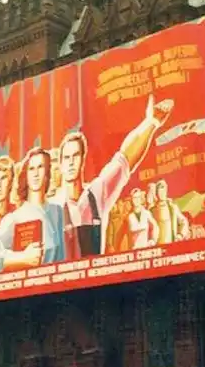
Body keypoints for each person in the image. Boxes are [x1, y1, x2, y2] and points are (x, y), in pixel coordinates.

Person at [56, 94, 173, 260]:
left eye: (75, 156)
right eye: (66, 158)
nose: (71, 162)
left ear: (82, 159)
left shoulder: (96, 193)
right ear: (60, 163)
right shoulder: (53, 206)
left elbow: (125, 158)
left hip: (97, 274)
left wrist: (151, 123)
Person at [0, 147, 65, 272]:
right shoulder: (16, 217)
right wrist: (22, 257)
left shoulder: (57, 211)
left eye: (40, 167)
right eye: (31, 169)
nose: (36, 173)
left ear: (47, 172)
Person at [151, 179, 190, 245]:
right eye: (160, 191)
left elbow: (183, 221)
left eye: (164, 190)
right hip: (157, 247)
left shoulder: (173, 208)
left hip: (171, 245)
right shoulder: (152, 211)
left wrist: (180, 235)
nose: (162, 193)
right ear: (156, 193)